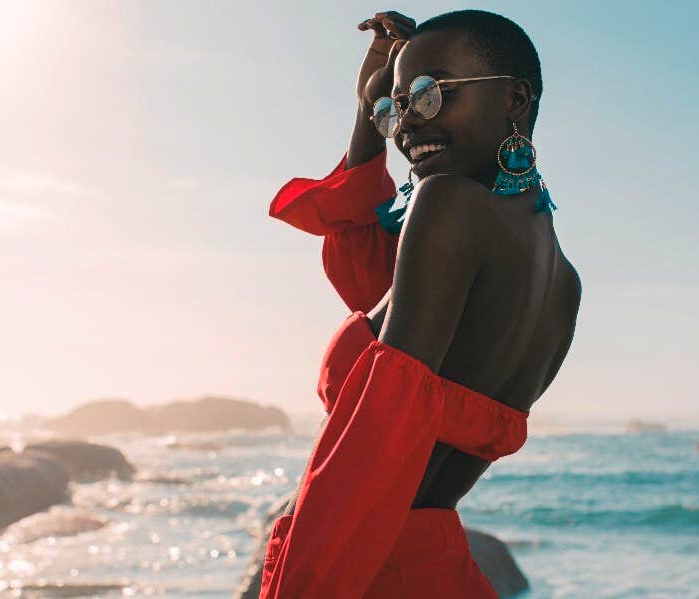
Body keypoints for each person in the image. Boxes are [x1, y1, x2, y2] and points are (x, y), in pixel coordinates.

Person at [260, 9, 581, 598]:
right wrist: (369, 104)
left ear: (514, 100)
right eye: (397, 105)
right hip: (435, 570)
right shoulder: (562, 282)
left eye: (431, 93)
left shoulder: (448, 205)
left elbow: (373, 450)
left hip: (371, 571)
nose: (405, 123)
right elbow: (366, 267)